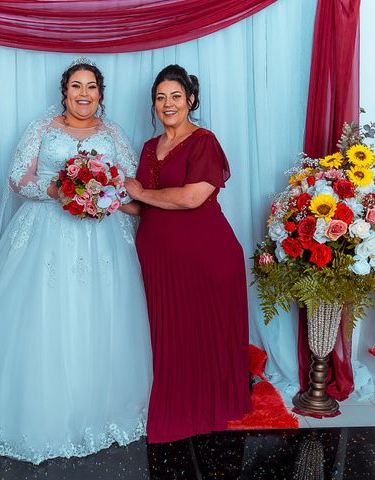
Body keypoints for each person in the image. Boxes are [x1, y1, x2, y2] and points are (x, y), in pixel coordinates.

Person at [0, 59, 152, 464]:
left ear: (101, 94)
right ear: (64, 92)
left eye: (91, 87)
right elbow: (17, 177)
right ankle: (36, 408)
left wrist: (103, 194)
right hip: (45, 231)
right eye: (76, 86)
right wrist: (58, 188)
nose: (84, 94)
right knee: (43, 315)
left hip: (102, 237)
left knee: (100, 316)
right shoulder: (43, 128)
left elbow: (129, 184)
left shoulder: (113, 133)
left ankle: (101, 407)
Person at [125, 65, 251, 444]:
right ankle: (173, 401)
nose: (168, 104)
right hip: (159, 257)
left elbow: (193, 197)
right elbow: (141, 204)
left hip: (204, 256)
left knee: (197, 336)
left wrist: (138, 193)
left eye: (176, 96)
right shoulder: (149, 147)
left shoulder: (204, 142)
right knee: (168, 337)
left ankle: (202, 407)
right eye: (161, 97)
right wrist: (99, 198)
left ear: (191, 100)